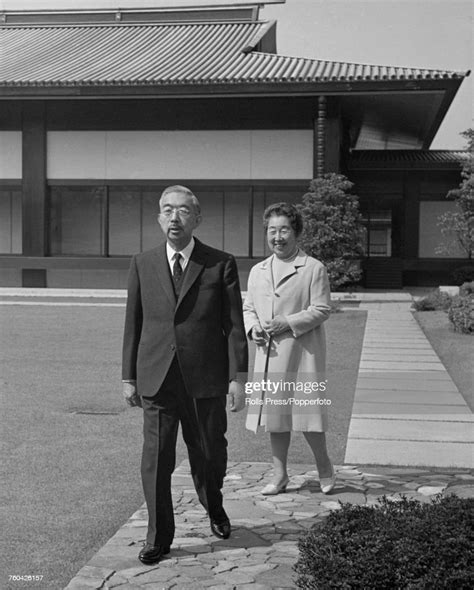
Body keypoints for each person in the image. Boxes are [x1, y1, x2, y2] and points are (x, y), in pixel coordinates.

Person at [122, 185, 248, 565]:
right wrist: (128, 376)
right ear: (159, 218)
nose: (173, 217)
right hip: (156, 379)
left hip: (205, 379)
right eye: (166, 210)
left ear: (196, 218)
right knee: (156, 458)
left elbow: (234, 325)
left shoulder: (220, 263)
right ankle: (158, 537)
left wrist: (237, 377)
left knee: (210, 453)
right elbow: (134, 322)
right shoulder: (142, 263)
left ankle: (215, 506)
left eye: (181, 210)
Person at [243, 202, 335, 495]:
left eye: (284, 229)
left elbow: (321, 309)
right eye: (272, 230)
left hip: (302, 354)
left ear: (296, 232)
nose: (277, 236)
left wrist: (287, 322)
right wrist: (253, 327)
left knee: (308, 417)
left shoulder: (313, 268)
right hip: (269, 356)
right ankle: (279, 475)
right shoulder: (258, 270)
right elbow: (248, 308)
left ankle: (324, 467)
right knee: (275, 418)